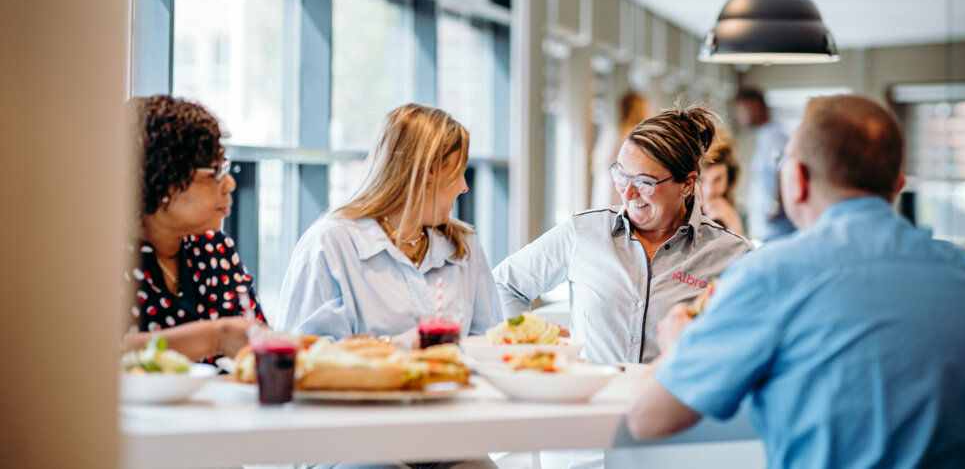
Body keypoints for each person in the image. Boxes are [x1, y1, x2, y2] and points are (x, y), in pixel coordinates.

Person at [627, 95, 965, 467]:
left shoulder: (771, 275)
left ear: (797, 180)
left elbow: (648, 419)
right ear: (898, 183)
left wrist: (679, 346)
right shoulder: (964, 274)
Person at [494, 105, 751, 365]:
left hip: (672, 392)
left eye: (645, 182)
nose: (627, 192)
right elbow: (504, 284)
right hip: (591, 391)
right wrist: (530, 342)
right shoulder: (583, 232)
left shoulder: (732, 256)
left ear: (687, 183)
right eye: (621, 175)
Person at [276, 103, 502, 347]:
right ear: (429, 171)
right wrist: (396, 345)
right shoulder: (330, 244)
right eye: (458, 172)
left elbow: (489, 346)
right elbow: (297, 354)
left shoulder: (464, 247)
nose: (464, 187)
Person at [123, 95, 265, 361]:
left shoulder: (214, 248)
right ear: (164, 179)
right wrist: (215, 337)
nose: (230, 184)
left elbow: (255, 344)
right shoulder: (105, 258)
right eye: (215, 172)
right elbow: (99, 353)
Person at [733, 87, 795, 242]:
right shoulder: (764, 134)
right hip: (766, 226)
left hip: (775, 225)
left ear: (755, 107)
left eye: (741, 110)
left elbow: (785, 169)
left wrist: (776, 207)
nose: (739, 116)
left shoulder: (774, 136)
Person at [590, 90, 652, 208]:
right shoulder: (636, 136)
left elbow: (597, 164)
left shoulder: (611, 132)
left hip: (605, 189)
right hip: (621, 190)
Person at [696, 139, 744, 236]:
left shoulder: (740, 212)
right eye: (701, 180)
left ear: (729, 178)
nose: (709, 191)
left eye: (717, 179)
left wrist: (734, 226)